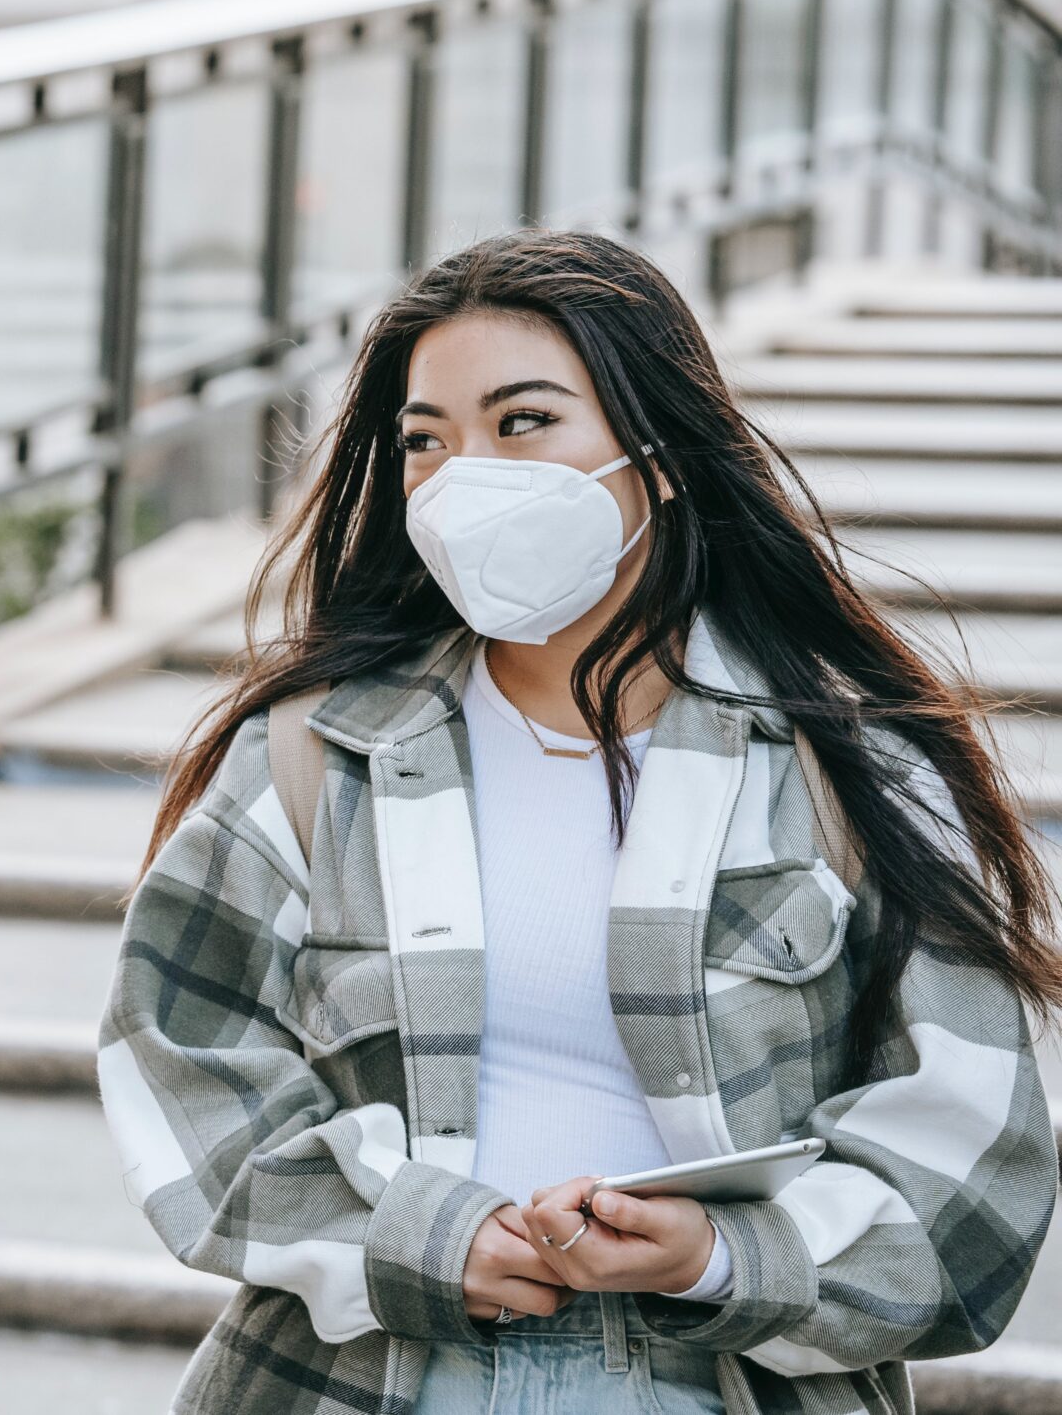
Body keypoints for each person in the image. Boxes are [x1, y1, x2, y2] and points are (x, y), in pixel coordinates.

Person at [98, 228, 1061, 1415]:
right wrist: (421, 1235)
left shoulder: (850, 768)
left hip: (709, 1383)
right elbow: (183, 1061)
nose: (464, 477)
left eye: (522, 422)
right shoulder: (312, 755)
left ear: (656, 453)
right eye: (423, 441)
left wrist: (714, 1256)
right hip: (353, 1382)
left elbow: (974, 1157)